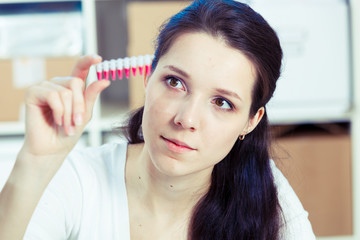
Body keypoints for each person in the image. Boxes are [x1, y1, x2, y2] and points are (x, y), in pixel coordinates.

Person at [0, 0, 316, 239]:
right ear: (148, 79)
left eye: (222, 102)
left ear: (251, 121)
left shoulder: (265, 194)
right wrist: (35, 163)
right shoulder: (79, 181)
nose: (187, 119)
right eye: (175, 83)